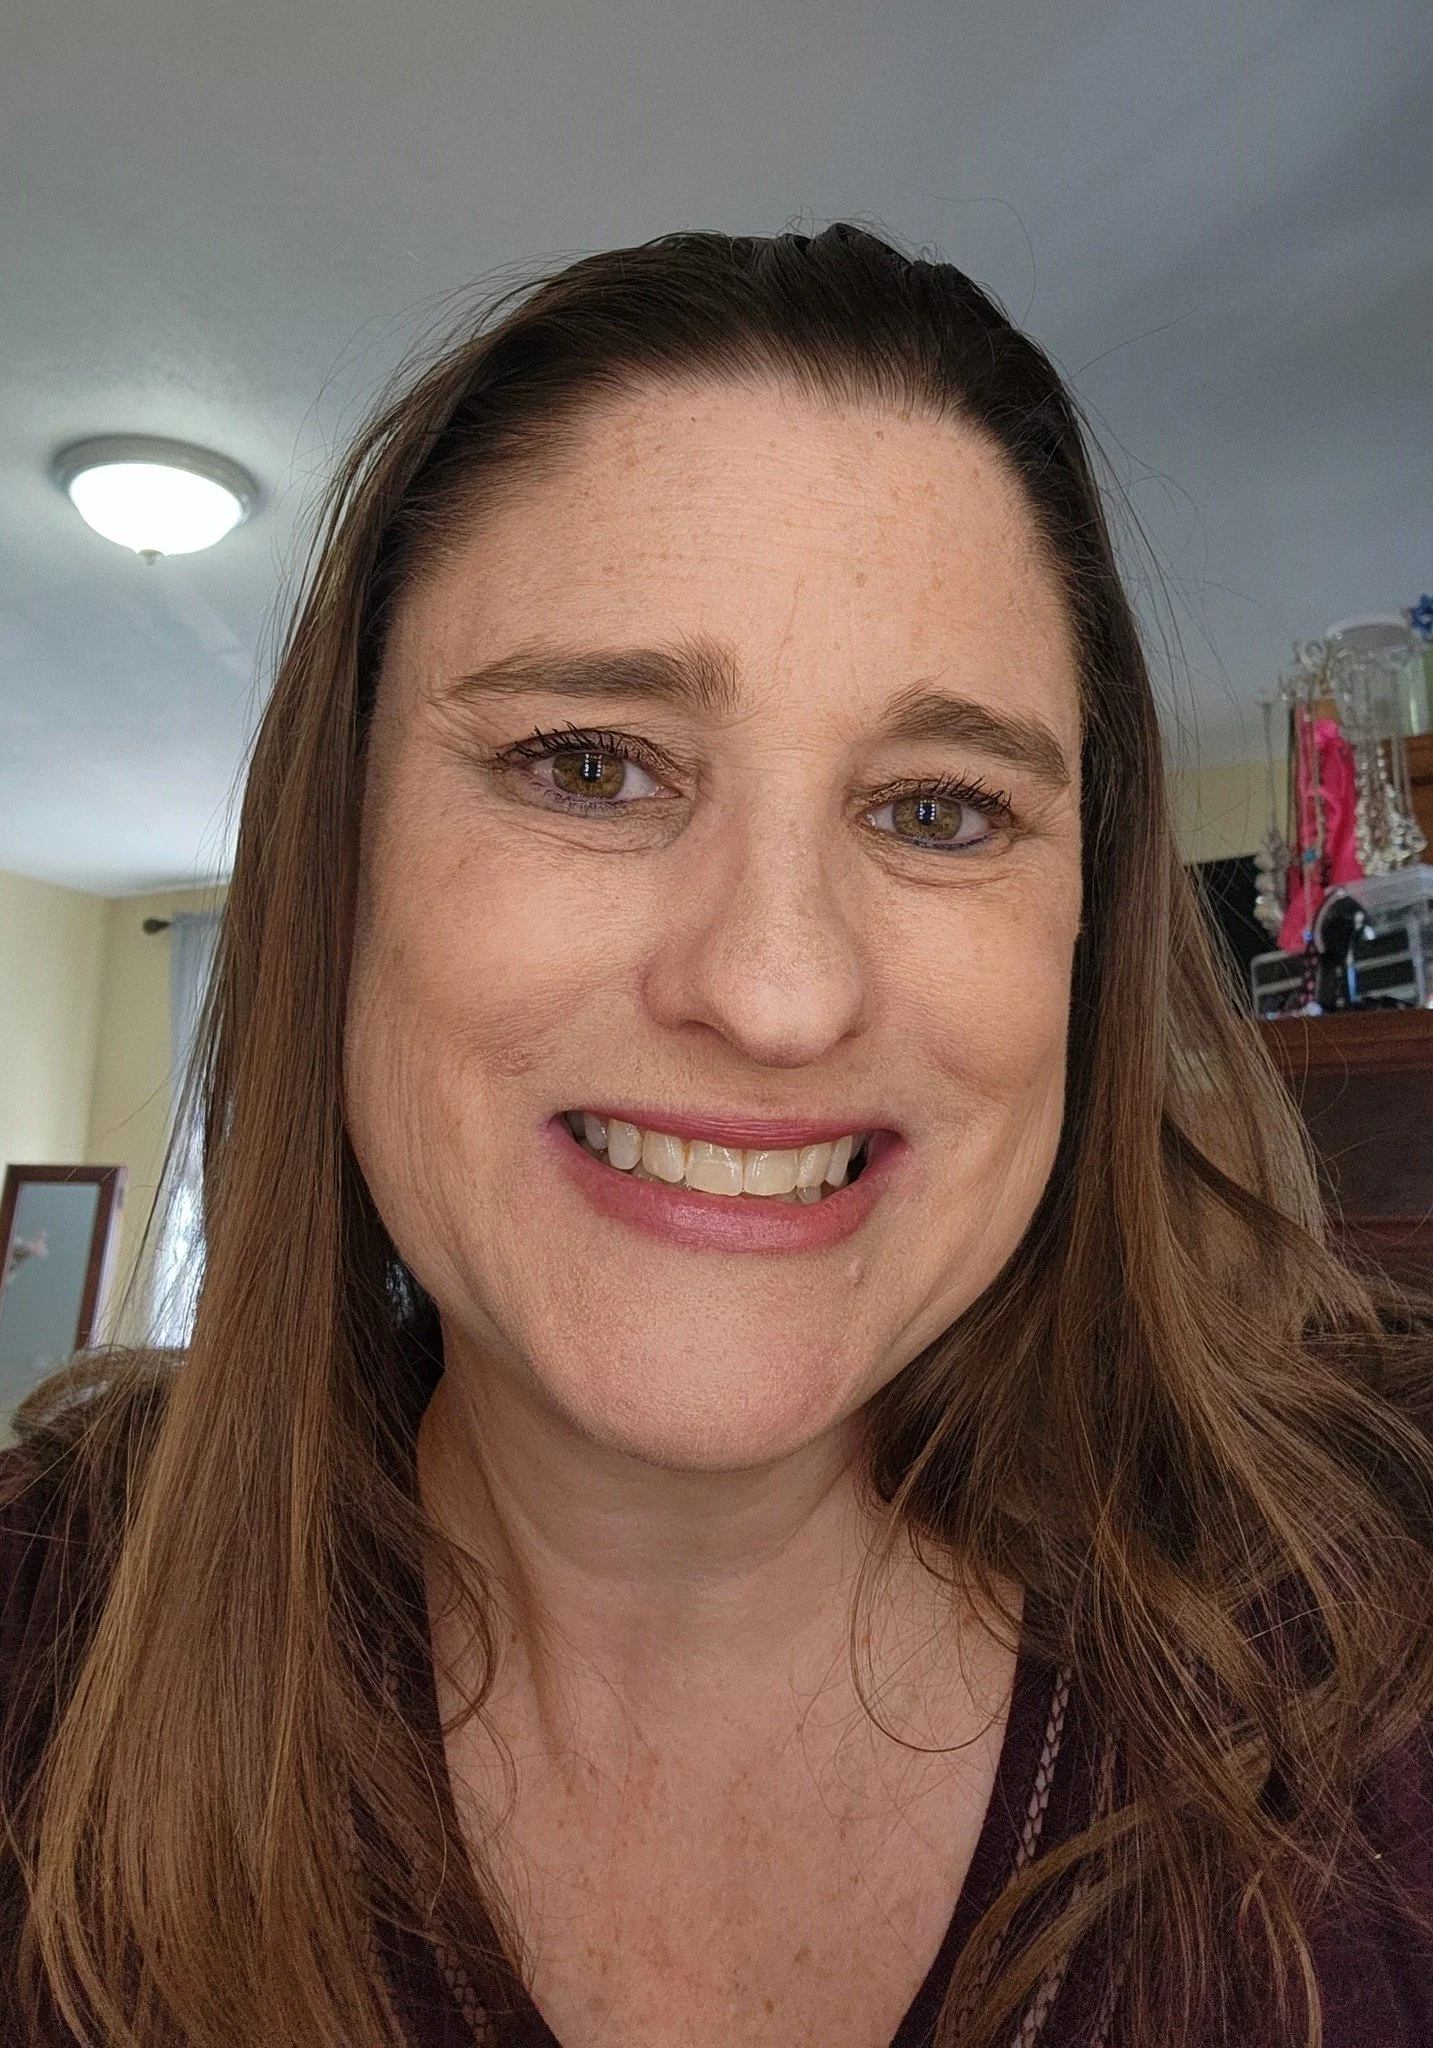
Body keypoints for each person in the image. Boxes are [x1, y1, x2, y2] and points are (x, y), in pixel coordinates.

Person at [2, 226, 1431, 2048]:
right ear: (339, 865)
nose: (775, 990)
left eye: (938, 809)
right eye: (590, 764)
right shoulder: (39, 1652)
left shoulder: (1381, 1681)